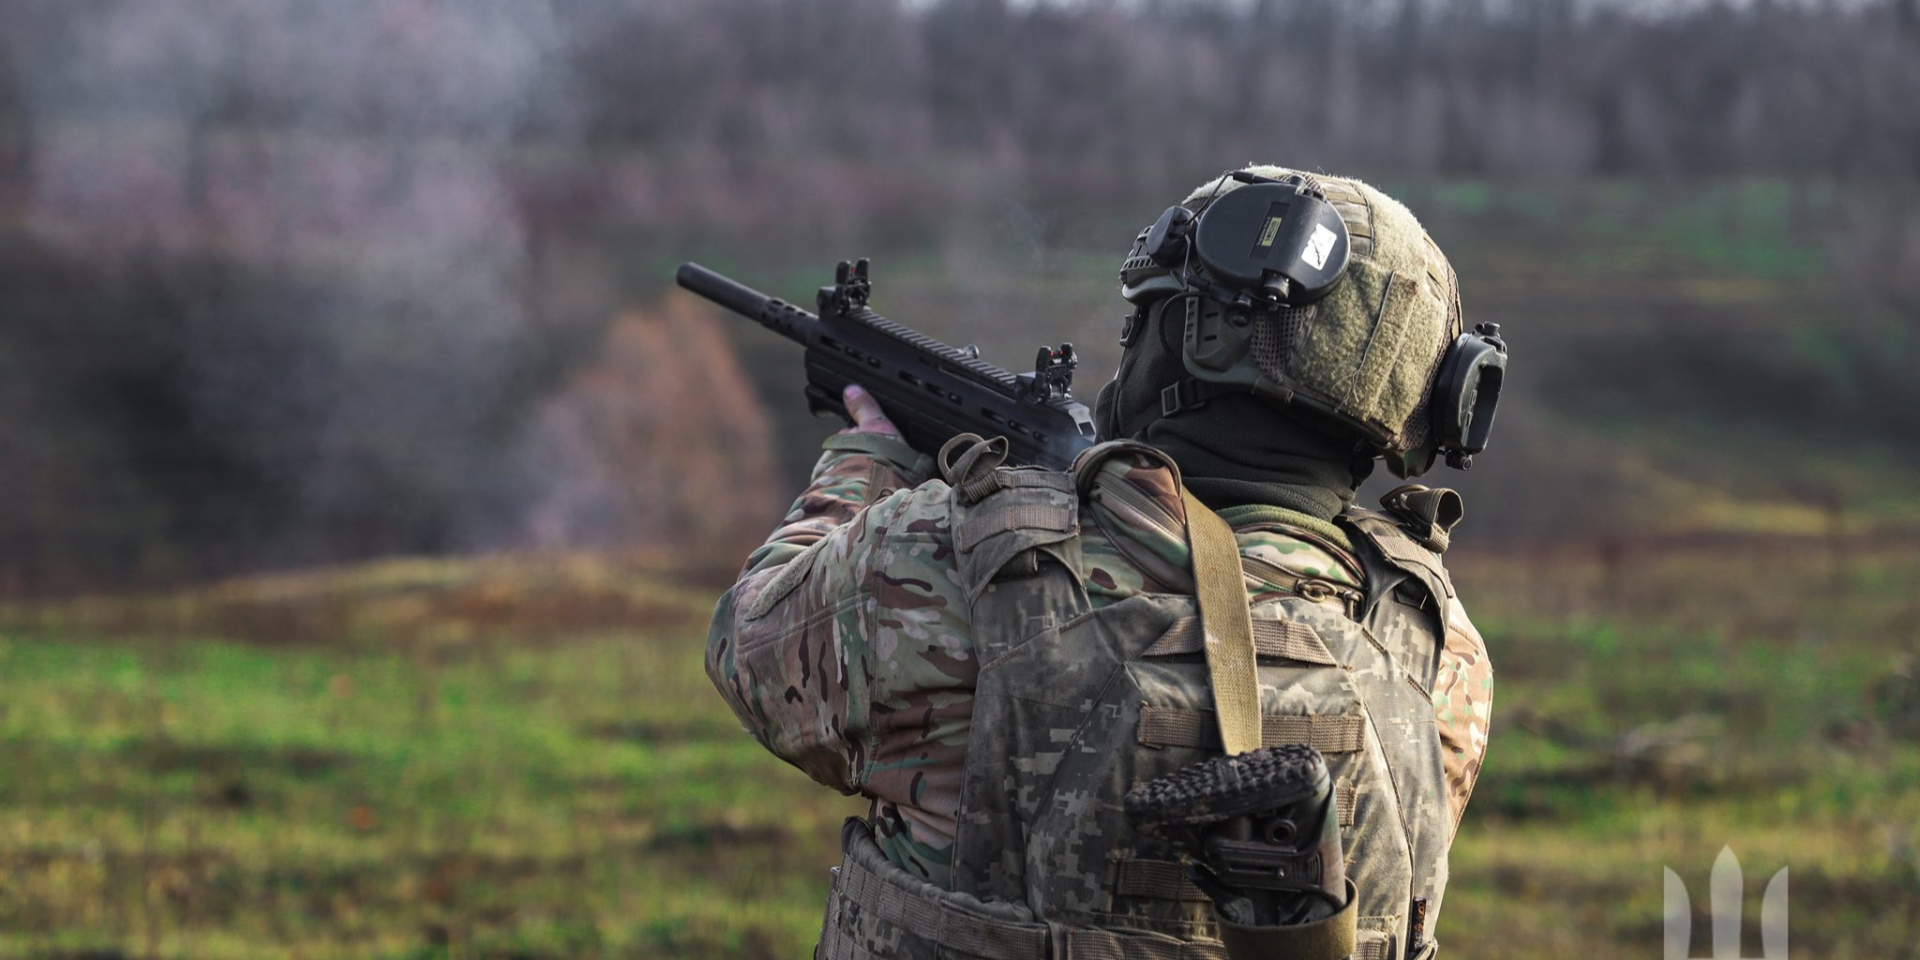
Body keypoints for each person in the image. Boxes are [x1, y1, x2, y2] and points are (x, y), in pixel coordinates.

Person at [706, 166, 1503, 960]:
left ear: (1197, 339)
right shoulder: (1435, 649)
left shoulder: (948, 561)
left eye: (1148, 315)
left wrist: (866, 469)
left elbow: (750, 647)